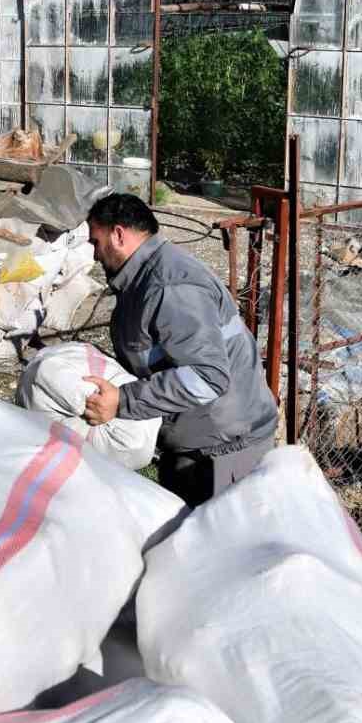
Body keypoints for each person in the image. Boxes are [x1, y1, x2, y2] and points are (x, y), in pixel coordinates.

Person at [79, 192, 277, 504]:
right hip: (198, 441)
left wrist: (123, 401)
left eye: (95, 242)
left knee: (213, 550)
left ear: (118, 234)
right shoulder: (143, 277)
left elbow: (208, 377)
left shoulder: (170, 286)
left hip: (223, 456)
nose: (94, 254)